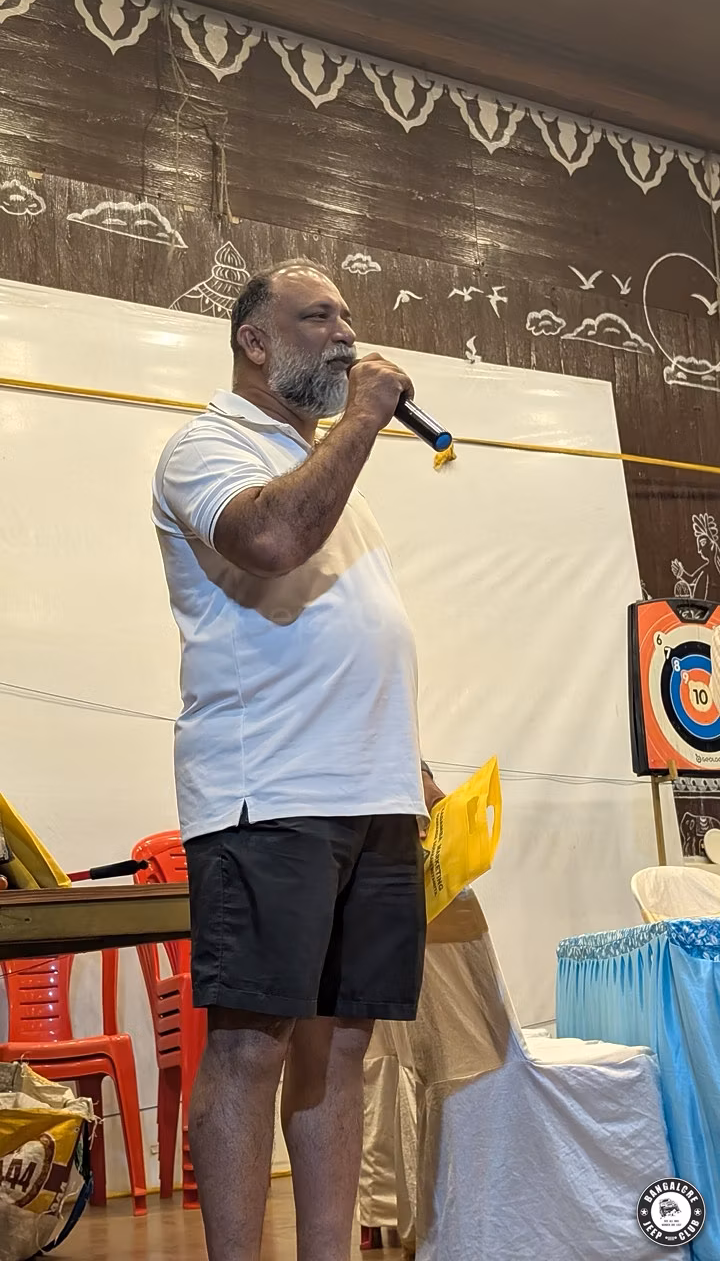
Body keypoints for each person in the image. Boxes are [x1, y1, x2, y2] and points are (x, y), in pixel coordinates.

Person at [152, 258, 444, 1261]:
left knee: (345, 1040)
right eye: (319, 316)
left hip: (373, 792)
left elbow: (353, 631)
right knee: (250, 1044)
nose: (346, 334)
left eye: (349, 316)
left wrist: (410, 764)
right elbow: (271, 541)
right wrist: (363, 418)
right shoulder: (207, 446)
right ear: (255, 340)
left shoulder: (326, 471)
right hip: (269, 790)